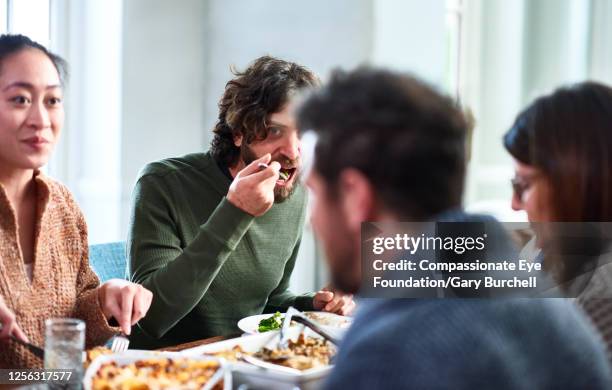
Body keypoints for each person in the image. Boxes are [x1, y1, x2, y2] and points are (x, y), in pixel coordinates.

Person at [296, 68, 612, 389]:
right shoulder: (540, 301)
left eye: (314, 192)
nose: (312, 218)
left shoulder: (391, 349)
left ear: (355, 196)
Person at [127, 56, 354, 349]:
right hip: (164, 365)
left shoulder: (294, 194)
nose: (294, 153)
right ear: (237, 132)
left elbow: (267, 307)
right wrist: (235, 211)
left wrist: (312, 308)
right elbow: (152, 318)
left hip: (242, 359)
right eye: (274, 131)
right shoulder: (162, 183)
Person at [0, 34, 153, 368]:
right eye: (21, 99)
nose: (41, 119)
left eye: (53, 100)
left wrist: (104, 300)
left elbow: (74, 328)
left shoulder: (63, 204)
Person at [503, 81, 612, 360]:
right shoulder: (558, 260)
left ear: (574, 182)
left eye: (522, 185)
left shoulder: (601, 303)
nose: (515, 204)